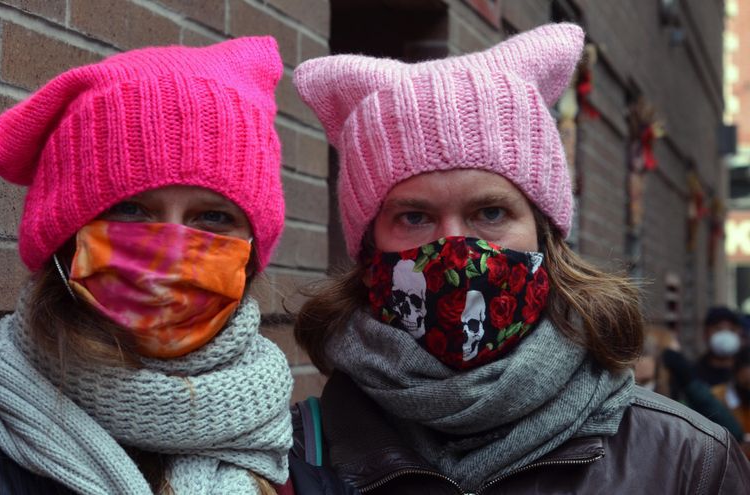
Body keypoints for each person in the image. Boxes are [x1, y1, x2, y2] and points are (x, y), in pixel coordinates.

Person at [288, 24, 750, 493]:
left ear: (544, 235)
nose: (455, 251)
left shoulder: (688, 462)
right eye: (413, 218)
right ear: (369, 251)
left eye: (490, 212)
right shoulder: (292, 462)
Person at [0, 37, 310, 495]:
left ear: (253, 250)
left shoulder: (297, 463)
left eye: (214, 217)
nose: (172, 250)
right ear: (63, 240)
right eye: (131, 210)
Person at [696, 306, 745, 386]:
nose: (725, 335)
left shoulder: (745, 371)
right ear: (705, 334)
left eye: (731, 329)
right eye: (718, 329)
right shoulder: (693, 374)